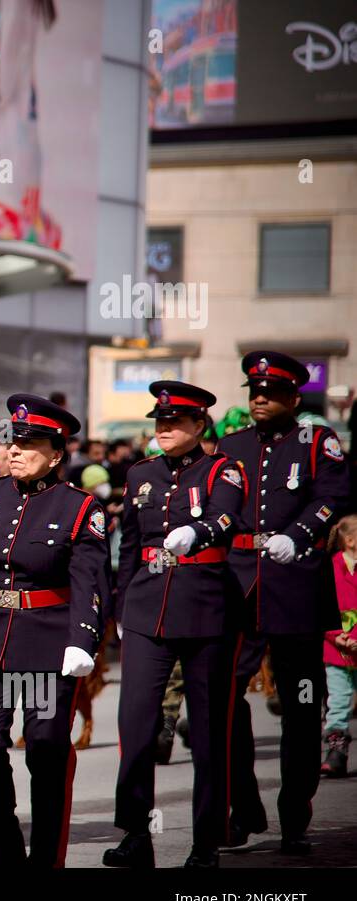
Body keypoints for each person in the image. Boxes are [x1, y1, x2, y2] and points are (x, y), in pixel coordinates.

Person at [0, 394, 109, 867]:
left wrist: (83, 639)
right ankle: (6, 854)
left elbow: (91, 581)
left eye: (29, 444)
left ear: (57, 454)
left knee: (44, 747)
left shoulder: (80, 508)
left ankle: (45, 858)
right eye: (11, 442)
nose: (14, 451)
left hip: (47, 641)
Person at [105, 381, 245, 868]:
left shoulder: (221, 471)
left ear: (199, 425)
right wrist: (121, 608)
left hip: (206, 608)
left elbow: (228, 518)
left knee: (209, 732)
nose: (164, 429)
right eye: (159, 422)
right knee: (137, 726)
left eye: (175, 422)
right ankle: (134, 833)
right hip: (146, 608)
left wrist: (199, 530)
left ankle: (207, 841)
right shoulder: (140, 472)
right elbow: (128, 547)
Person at [218, 351, 350, 852]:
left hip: (295, 586)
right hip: (239, 585)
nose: (259, 398)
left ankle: (295, 814)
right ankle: (243, 805)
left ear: (293, 397)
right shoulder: (231, 446)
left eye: (270, 392)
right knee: (225, 697)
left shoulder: (317, 442)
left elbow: (332, 496)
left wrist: (299, 534)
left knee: (299, 704)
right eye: (254, 390)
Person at [321, 514, 357, 777]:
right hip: (338, 649)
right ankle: (336, 751)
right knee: (339, 700)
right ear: (351, 540)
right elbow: (321, 607)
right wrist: (336, 635)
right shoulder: (330, 568)